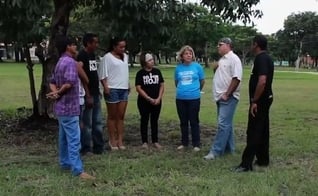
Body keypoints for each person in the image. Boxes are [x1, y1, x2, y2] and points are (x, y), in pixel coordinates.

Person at [47, 35, 95, 179]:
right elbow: (70, 83)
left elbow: (52, 81)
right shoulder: (70, 62)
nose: (76, 47)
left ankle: (65, 163)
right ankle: (77, 170)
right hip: (69, 107)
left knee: (63, 138)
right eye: (74, 45)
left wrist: (55, 91)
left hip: (61, 108)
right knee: (74, 139)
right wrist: (59, 92)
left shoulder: (60, 62)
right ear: (68, 47)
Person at [234, 35, 274, 172]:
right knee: (263, 129)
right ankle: (263, 159)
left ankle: (246, 164)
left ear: (256, 44)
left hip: (260, 101)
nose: (251, 46)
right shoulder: (266, 58)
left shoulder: (261, 59)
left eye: (252, 44)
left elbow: (262, 81)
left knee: (254, 131)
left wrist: (254, 101)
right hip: (267, 98)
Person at [204, 37, 243, 160]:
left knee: (223, 124)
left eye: (220, 44)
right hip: (220, 97)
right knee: (227, 124)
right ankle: (229, 149)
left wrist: (227, 93)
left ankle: (215, 151)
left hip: (228, 97)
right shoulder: (222, 60)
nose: (218, 47)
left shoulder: (234, 59)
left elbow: (237, 78)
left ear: (227, 45)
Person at [99, 37, 129, 150]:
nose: (123, 49)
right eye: (120, 47)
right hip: (112, 88)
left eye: (124, 47)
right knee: (112, 116)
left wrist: (128, 84)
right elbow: (102, 74)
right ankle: (112, 140)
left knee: (121, 116)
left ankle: (120, 140)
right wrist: (105, 86)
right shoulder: (107, 57)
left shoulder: (125, 56)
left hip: (123, 88)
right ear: (114, 46)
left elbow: (124, 71)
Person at [77, 33, 105, 155]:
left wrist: (98, 90)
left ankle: (99, 147)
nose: (97, 45)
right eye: (95, 42)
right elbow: (81, 74)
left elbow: (94, 74)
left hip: (95, 92)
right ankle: (86, 148)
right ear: (88, 43)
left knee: (98, 122)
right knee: (87, 123)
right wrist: (87, 95)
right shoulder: (82, 56)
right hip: (88, 94)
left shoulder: (92, 55)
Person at [174, 45, 205, 152]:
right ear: (182, 56)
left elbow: (202, 81)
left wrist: (196, 90)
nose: (188, 55)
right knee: (183, 121)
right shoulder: (178, 68)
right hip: (180, 98)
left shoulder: (197, 67)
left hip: (194, 98)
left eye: (190, 53)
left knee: (194, 121)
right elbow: (176, 82)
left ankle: (196, 143)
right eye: (186, 53)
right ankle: (184, 142)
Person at [135, 53, 164, 149]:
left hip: (157, 101)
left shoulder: (157, 71)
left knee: (154, 121)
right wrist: (148, 98)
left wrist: (159, 98)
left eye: (152, 59)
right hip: (144, 102)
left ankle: (155, 141)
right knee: (144, 120)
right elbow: (138, 88)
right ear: (144, 62)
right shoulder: (140, 73)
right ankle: (144, 141)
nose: (152, 61)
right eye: (149, 60)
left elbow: (161, 85)